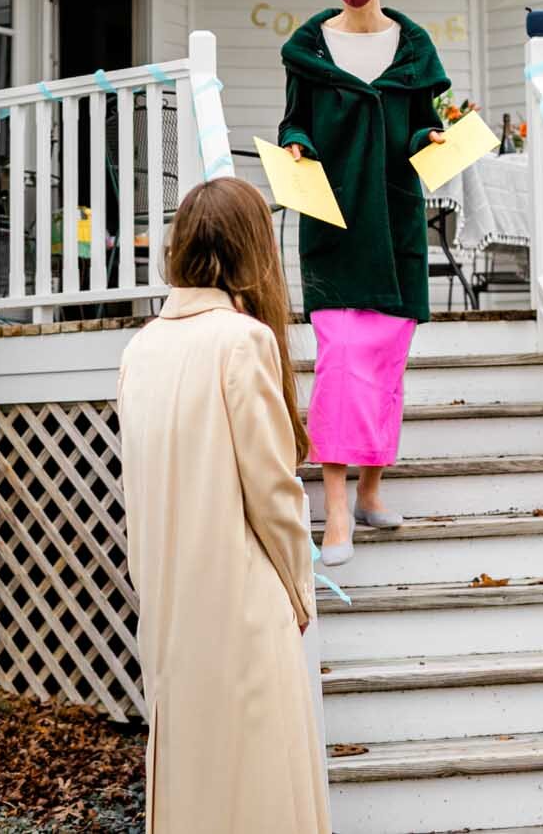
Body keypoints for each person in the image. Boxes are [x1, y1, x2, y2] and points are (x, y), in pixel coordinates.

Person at [117, 177, 332, 834]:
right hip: (244, 612)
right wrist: (299, 590)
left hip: (171, 611)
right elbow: (275, 494)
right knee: (261, 801)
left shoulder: (139, 349)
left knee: (196, 799)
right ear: (253, 250)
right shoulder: (243, 342)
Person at [279, 0, 450, 565]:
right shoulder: (309, 50)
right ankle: (338, 512)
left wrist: (429, 140)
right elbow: (295, 119)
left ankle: (373, 490)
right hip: (332, 225)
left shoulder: (412, 50)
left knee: (383, 368)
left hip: (396, 228)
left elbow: (421, 131)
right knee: (339, 366)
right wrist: (298, 142)